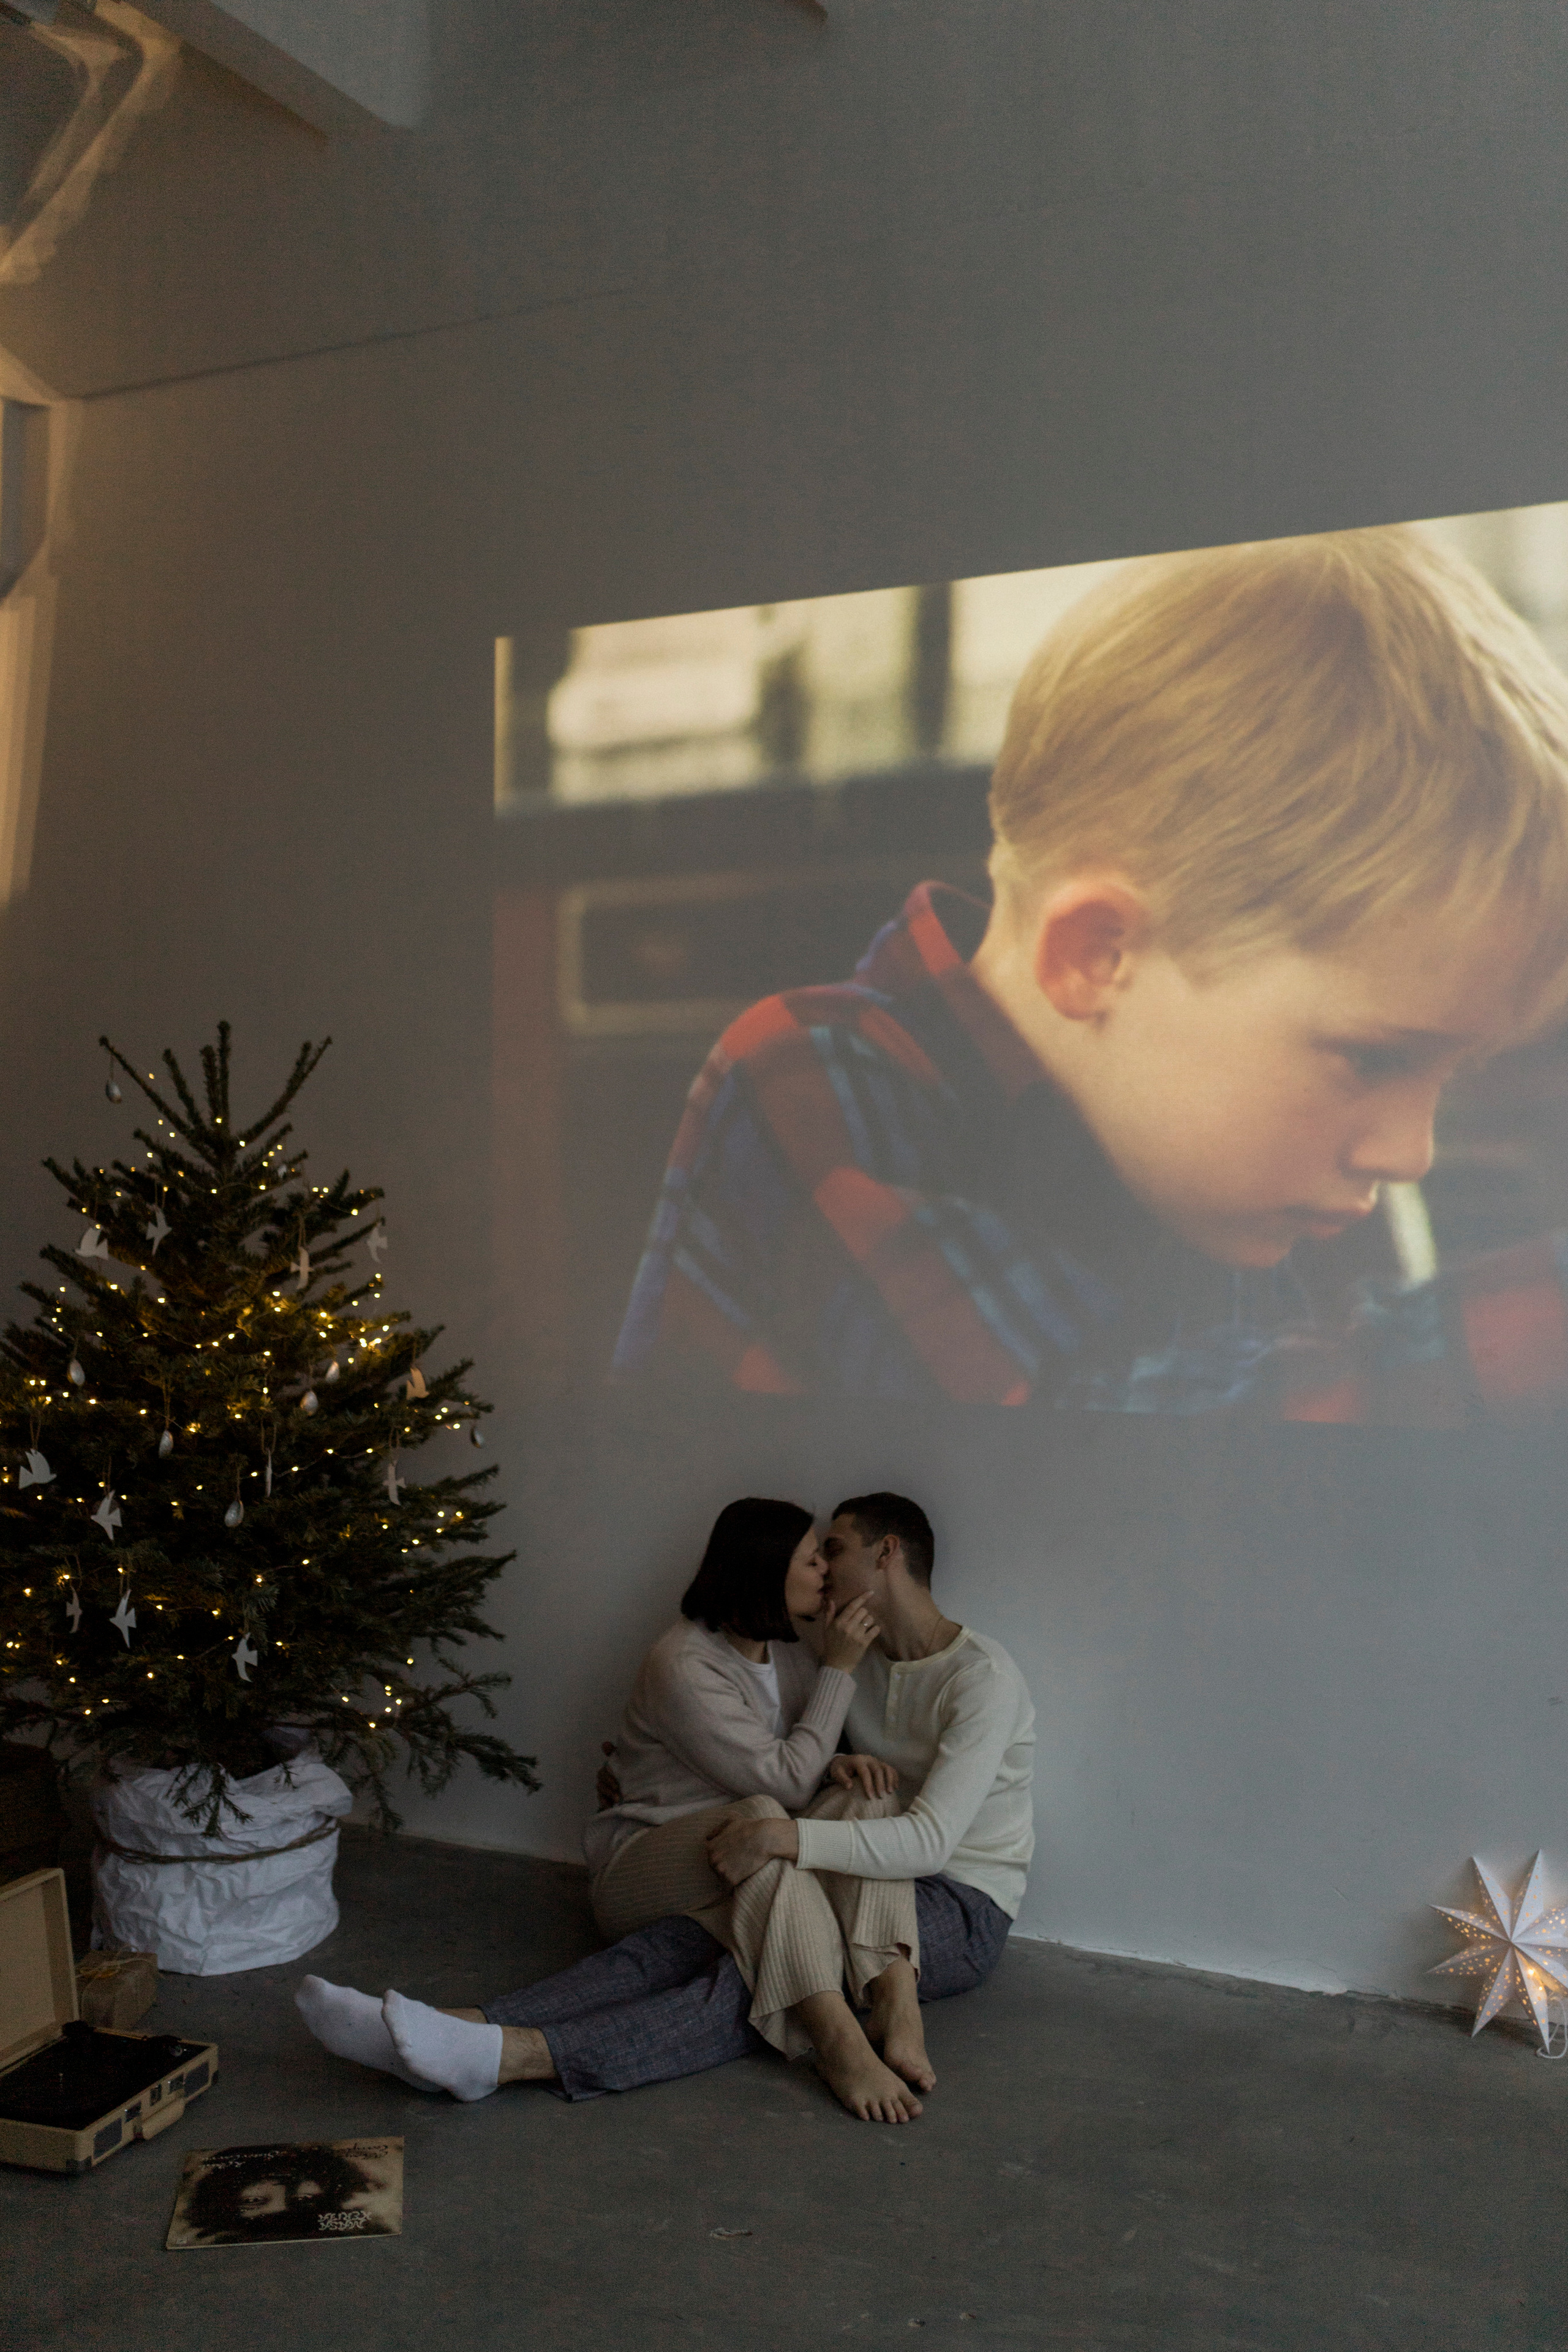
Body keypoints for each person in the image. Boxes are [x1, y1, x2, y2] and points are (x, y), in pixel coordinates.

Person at [611, 527, 1568, 1422]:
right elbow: (1082, 1450)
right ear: (1097, 957)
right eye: (1372, 1060)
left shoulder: (1242, 1172)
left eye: (1451, 1074)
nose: (1409, 1155)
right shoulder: (808, 1085)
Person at [295, 1492, 1033, 2127]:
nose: (824, 1569)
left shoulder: (974, 1678)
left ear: (886, 1555)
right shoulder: (840, 1654)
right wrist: (770, 1800)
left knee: (745, 1973)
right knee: (720, 1926)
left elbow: (911, 1833)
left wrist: (787, 1820)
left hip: (952, 1902)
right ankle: (471, 2035)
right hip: (719, 1860)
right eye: (813, 1555)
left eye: (831, 1551)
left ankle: (500, 2048)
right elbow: (778, 1767)